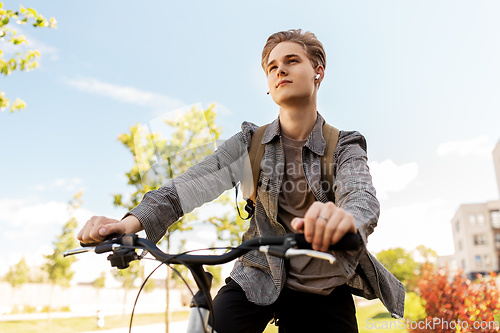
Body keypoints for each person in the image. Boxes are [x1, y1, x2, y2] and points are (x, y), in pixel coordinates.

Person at [78, 29, 405, 332]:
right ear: (267, 83)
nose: (280, 70)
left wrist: (345, 220)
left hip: (323, 285)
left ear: (318, 71)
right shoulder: (249, 143)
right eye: (272, 66)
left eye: (292, 61)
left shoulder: (344, 144)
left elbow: (360, 196)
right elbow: (187, 188)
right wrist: (128, 224)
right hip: (257, 275)